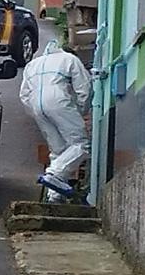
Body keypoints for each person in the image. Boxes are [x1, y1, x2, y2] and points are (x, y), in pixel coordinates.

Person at [19, 39, 92, 200]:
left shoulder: (33, 64)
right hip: (59, 102)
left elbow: (24, 95)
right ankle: (54, 174)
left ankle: (54, 196)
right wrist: (79, 111)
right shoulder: (70, 59)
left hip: (37, 106)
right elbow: (84, 89)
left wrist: (36, 112)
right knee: (81, 144)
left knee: (59, 149)